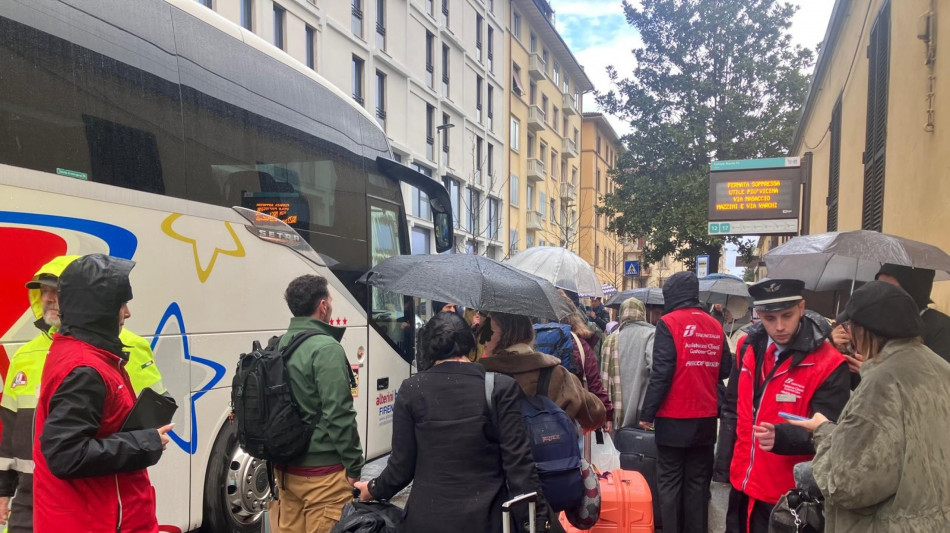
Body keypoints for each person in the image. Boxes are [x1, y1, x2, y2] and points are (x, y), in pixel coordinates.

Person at [0, 255, 166, 532]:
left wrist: (145, 435)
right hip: (78, 510)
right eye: (44, 291)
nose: (48, 299)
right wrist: (145, 442)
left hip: (87, 503)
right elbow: (61, 451)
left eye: (56, 291)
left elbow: (143, 409)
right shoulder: (79, 363)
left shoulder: (102, 350)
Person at [354, 312, 553, 533]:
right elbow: (519, 464)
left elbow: (400, 468)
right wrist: (536, 521)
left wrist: (373, 488)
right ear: (470, 344)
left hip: (426, 521)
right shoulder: (500, 387)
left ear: (428, 347)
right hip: (486, 521)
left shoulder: (411, 390)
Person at [789, 281, 950, 531]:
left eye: (850, 327)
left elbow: (847, 484)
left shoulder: (882, 382)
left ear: (864, 330)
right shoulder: (941, 367)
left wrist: (823, 432)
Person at [726, 279, 850, 533]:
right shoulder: (746, 346)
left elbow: (833, 433)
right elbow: (733, 407)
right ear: (758, 314)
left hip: (789, 497)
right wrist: (723, 466)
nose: (780, 326)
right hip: (742, 482)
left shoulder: (830, 363)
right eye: (770, 318)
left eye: (787, 315)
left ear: (801, 308)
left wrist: (785, 437)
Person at [638, 272, 731, 533]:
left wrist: (647, 413)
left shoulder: (668, 323)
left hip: (673, 418)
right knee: (697, 486)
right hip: (705, 419)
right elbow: (725, 368)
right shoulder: (715, 325)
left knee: (669, 483)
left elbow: (662, 372)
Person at [272, 275, 363, 533]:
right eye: (331, 301)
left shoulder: (279, 344)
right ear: (323, 306)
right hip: (324, 478)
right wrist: (354, 465)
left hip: (286, 472)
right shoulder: (326, 348)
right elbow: (339, 414)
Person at [480, 312, 605, 432]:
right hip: (553, 445)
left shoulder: (482, 378)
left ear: (509, 334)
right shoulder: (558, 374)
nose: (482, 337)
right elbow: (596, 414)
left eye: (489, 330)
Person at [832, 263, 950, 364]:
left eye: (892, 288)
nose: (883, 293)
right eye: (879, 285)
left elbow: (936, 378)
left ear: (914, 292)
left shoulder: (942, 328)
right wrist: (835, 344)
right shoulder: (868, 316)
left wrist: (873, 371)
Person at [600, 297, 655, 429]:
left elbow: (603, 378)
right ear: (642, 313)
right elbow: (656, 370)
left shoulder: (610, 340)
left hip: (616, 414)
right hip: (643, 413)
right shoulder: (652, 334)